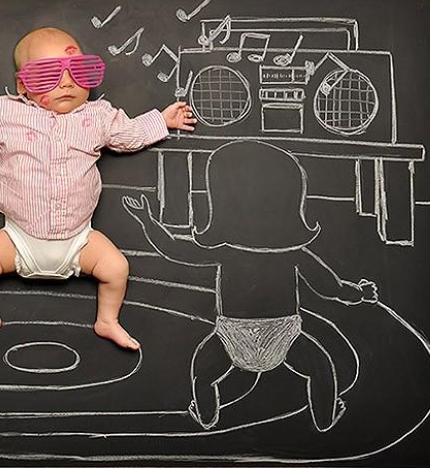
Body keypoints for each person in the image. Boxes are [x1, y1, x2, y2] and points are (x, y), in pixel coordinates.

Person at [0, 26, 197, 349]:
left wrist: (161, 121)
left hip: (79, 240)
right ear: (22, 85)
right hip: (18, 238)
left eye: (79, 71)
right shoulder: (5, 113)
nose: (67, 82)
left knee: (117, 268)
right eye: (48, 74)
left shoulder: (97, 117)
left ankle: (107, 320)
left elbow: (128, 134)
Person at [122, 139, 378, 432]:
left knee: (203, 374)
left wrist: (148, 222)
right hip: (283, 336)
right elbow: (329, 286)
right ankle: (325, 418)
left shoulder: (226, 251)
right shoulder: (293, 253)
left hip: (233, 338)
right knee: (321, 369)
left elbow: (175, 250)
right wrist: (358, 293)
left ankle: (206, 415)